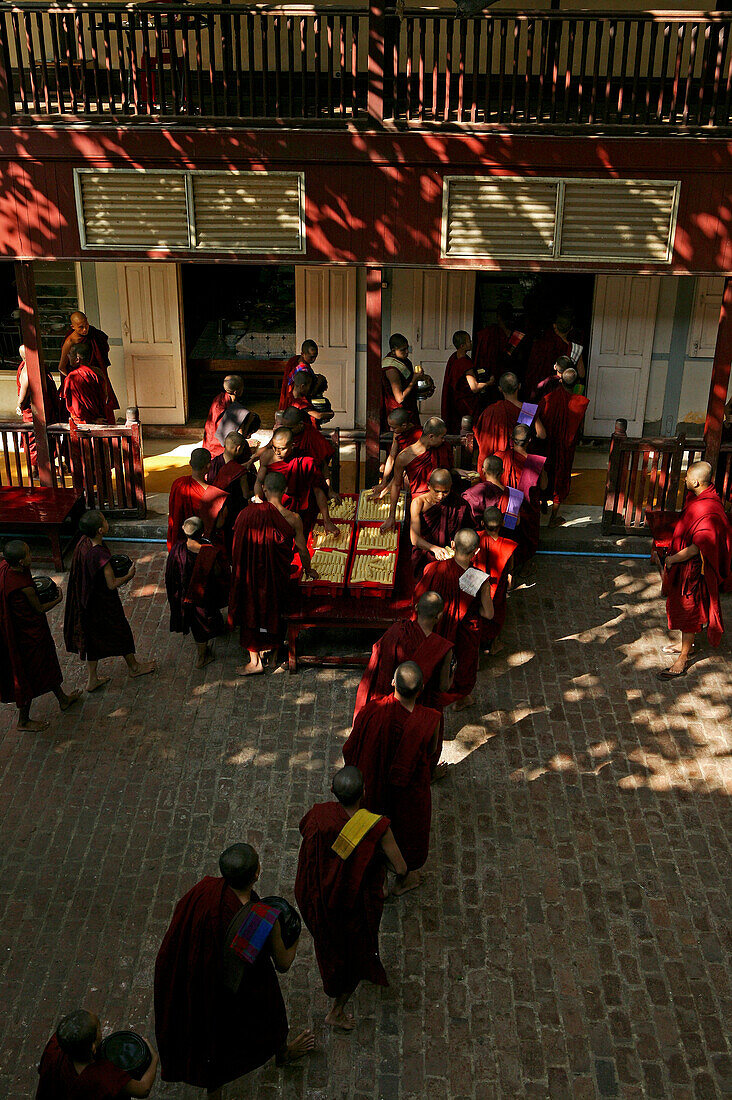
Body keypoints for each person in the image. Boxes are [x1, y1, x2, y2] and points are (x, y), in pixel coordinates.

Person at [154, 843, 314, 1096]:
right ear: (257, 874)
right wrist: (295, 937)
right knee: (272, 1018)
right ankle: (283, 1054)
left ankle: (214, 1090)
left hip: (203, 979)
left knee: (211, 1035)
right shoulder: (261, 919)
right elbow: (283, 964)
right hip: (242, 986)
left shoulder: (204, 889)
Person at [295, 766, 407, 1030]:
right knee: (354, 958)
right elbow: (401, 868)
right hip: (352, 905)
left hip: (316, 896)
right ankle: (337, 1011)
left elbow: (305, 832)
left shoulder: (319, 814)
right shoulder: (376, 826)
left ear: (332, 791)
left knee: (332, 946)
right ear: (364, 793)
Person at [343, 662, 441, 895]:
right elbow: (430, 752)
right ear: (421, 689)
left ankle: (379, 877)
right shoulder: (430, 719)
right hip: (408, 787)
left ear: (393, 682)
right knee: (407, 828)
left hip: (373, 783)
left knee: (375, 824)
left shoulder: (372, 710)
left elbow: (351, 747)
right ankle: (403, 878)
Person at [229, 471, 317, 675]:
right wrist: (309, 568)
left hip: (251, 573)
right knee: (276, 609)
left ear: (264, 490)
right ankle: (274, 657)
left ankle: (254, 661)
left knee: (252, 608)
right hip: (277, 574)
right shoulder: (293, 518)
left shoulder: (246, 514)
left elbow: (237, 546)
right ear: (285, 490)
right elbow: (302, 549)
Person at [63, 510, 155, 691]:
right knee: (121, 631)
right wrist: (129, 575)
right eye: (104, 521)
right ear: (100, 530)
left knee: (92, 639)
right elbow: (112, 584)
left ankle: (92, 679)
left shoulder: (83, 543)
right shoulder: (99, 554)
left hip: (86, 602)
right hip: (102, 603)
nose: (107, 522)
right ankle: (134, 667)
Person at [657, 461, 732, 679]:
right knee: (684, 607)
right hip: (686, 565)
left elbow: (698, 546)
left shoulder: (708, 509)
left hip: (694, 570)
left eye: (688, 478)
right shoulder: (700, 499)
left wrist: (672, 560)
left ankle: (683, 658)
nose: (685, 480)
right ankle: (685, 646)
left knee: (689, 609)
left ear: (696, 481)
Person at [0, 540, 81, 732]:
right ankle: (24, 720)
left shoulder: (5, 568)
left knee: (47, 664)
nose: (31, 555)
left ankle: (62, 699)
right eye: (28, 554)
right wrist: (59, 598)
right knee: (29, 674)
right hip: (26, 637)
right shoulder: (22, 585)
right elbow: (38, 608)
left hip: (25, 631)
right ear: (21, 562)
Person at [414, 528, 494, 712]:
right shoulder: (478, 579)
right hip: (463, 634)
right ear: (476, 552)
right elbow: (488, 614)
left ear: (452, 545)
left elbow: (418, 599)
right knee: (463, 670)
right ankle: (460, 699)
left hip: (435, 628)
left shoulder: (433, 568)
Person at [354, 590, 453, 720]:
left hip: (392, 702)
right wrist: (453, 671)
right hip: (421, 710)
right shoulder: (442, 647)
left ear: (416, 607)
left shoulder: (396, 631)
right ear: (439, 616)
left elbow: (379, 662)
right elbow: (443, 687)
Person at [36, 1009, 158, 1099]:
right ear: (93, 1047)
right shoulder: (104, 1075)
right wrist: (154, 1059)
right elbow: (143, 1089)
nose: (101, 1031)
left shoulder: (55, 1045)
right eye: (99, 1029)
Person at [165, 516, 229, 669]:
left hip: (185, 594)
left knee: (198, 622)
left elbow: (171, 574)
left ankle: (208, 642)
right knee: (201, 626)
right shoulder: (207, 552)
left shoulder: (177, 549)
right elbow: (218, 572)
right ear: (201, 533)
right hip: (202, 596)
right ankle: (202, 658)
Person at [253, 427, 337, 536]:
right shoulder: (267, 457)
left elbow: (318, 490)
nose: (277, 452)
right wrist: (258, 499)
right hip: (273, 507)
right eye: (274, 447)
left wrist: (327, 520)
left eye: (282, 448)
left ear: (292, 445)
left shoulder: (305, 460)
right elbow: (259, 482)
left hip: (298, 508)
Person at [380, 417, 455, 533]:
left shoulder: (442, 448)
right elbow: (396, 485)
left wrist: (459, 471)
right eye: (442, 437)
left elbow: (446, 472)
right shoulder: (404, 457)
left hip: (443, 501)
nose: (444, 440)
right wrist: (391, 516)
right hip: (421, 507)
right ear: (431, 437)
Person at [538, 366, 590, 527]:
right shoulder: (580, 403)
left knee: (544, 475)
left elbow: (535, 417)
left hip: (546, 445)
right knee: (560, 479)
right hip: (564, 449)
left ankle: (541, 505)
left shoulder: (547, 399)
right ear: (575, 385)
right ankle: (554, 517)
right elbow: (578, 427)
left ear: (560, 380)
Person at [473, 371, 545, 479]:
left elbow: (479, 435)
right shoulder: (527, 410)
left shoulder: (491, 410)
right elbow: (542, 434)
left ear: (500, 389)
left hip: (495, 465)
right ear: (519, 386)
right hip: (518, 463)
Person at [496, 423, 548, 565]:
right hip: (527, 509)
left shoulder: (500, 456)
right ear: (530, 440)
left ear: (511, 439)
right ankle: (522, 565)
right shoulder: (536, 462)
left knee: (509, 536)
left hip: (507, 506)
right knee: (524, 540)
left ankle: (509, 567)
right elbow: (544, 486)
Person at [410, 468, 474, 576]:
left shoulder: (459, 503)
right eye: (437, 491)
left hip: (450, 555)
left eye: (445, 492)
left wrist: (457, 540)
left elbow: (468, 529)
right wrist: (434, 548)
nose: (440, 496)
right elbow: (414, 539)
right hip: (426, 551)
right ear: (429, 485)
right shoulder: (418, 503)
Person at [58, 310, 119, 424]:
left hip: (94, 376)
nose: (85, 330)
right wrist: (73, 380)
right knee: (81, 412)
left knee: (103, 405)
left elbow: (102, 353)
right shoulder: (70, 342)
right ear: (73, 327)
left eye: (86, 325)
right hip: (79, 383)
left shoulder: (94, 334)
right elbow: (61, 367)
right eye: (80, 327)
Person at [166, 448, 228, 551]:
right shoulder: (216, 495)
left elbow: (174, 515)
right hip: (203, 547)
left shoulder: (178, 484)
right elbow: (219, 524)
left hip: (181, 544)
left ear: (190, 463)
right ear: (209, 466)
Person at [475, 506, 517, 655]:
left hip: (477, 587)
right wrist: (510, 576)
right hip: (497, 587)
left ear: (482, 523)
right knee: (497, 614)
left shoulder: (475, 539)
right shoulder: (508, 545)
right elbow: (509, 567)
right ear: (503, 524)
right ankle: (494, 644)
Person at [16, 343, 62, 468]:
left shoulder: (37, 366)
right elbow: (23, 394)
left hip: (45, 409)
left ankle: (47, 465)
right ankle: (37, 469)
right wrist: (19, 405)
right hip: (34, 412)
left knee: (47, 438)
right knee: (36, 441)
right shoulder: (27, 370)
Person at [205, 431, 251, 550]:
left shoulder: (212, 464)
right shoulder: (239, 470)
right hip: (234, 511)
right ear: (239, 448)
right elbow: (246, 495)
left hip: (215, 509)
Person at [525, 310, 586, 397]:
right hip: (559, 394)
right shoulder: (574, 348)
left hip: (537, 391)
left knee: (534, 409)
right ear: (571, 328)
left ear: (554, 325)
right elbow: (581, 374)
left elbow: (531, 368)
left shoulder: (540, 343)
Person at [441, 330, 491, 433]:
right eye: (469, 341)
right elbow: (474, 388)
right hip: (465, 403)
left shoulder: (454, 357)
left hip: (455, 400)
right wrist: (489, 382)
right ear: (463, 345)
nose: (471, 342)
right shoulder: (465, 363)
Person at [370, 407, 422, 499]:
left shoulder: (417, 436)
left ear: (404, 425)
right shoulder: (398, 433)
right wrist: (383, 483)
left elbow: (403, 469)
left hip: (415, 473)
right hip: (402, 470)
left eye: (393, 427)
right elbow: (391, 456)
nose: (390, 430)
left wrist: (384, 491)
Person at [472, 301, 525, 390]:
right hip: (515, 378)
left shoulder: (489, 334)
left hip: (494, 379)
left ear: (498, 317)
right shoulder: (518, 335)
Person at [381, 332, 421, 430]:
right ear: (393, 351)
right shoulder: (391, 368)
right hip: (399, 412)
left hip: (410, 406)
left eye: (407, 348)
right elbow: (400, 398)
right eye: (403, 350)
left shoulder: (404, 361)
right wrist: (414, 379)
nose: (407, 352)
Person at [63, 345, 110, 426]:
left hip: (83, 424)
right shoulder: (98, 372)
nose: (68, 356)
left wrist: (91, 420)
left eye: (70, 354)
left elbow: (76, 408)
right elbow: (105, 395)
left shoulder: (73, 377)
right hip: (102, 418)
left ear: (77, 359)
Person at [202, 374, 245, 458]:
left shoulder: (218, 398)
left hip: (209, 441)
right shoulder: (231, 409)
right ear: (236, 392)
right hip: (216, 447)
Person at [462, 454, 511, 525]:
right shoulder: (512, 494)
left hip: (481, 534)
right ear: (503, 471)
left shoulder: (475, 492)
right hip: (504, 534)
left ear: (483, 471)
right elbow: (513, 522)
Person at [279, 339, 319, 411]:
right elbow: (301, 390)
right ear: (302, 354)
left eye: (316, 356)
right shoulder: (303, 369)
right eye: (311, 357)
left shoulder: (295, 359)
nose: (314, 359)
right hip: (297, 401)